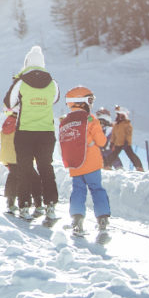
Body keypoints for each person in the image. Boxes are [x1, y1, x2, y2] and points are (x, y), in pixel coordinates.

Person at [3, 45, 60, 220]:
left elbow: (8, 104)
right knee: (46, 167)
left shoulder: (21, 82)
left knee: (24, 168)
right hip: (46, 132)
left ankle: (24, 206)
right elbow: (55, 100)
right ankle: (50, 205)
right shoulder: (53, 83)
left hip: (25, 132)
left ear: (27, 63)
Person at [60, 86, 111, 236]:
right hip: (92, 164)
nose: (91, 104)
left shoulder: (65, 121)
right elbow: (101, 142)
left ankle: (77, 219)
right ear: (81, 102)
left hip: (75, 164)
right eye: (89, 100)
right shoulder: (90, 119)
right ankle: (102, 219)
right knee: (96, 189)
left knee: (78, 191)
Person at [0, 107, 31, 216]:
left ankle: (10, 200)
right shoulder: (22, 124)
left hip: (9, 156)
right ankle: (23, 204)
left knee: (13, 176)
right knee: (22, 178)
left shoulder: (7, 122)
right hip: (19, 155)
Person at [105, 107, 145, 172]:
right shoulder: (116, 125)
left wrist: (127, 142)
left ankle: (139, 167)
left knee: (131, 155)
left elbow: (129, 134)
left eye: (121, 115)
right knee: (113, 154)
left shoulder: (127, 124)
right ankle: (107, 165)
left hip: (125, 143)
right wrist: (112, 142)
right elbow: (113, 135)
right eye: (118, 115)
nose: (119, 116)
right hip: (118, 143)